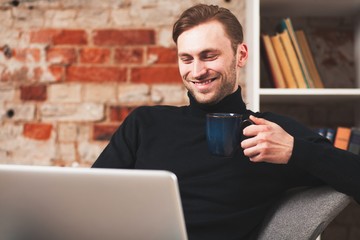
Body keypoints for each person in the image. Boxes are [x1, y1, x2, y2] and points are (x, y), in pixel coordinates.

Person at [92, 4, 360, 240]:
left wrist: (294, 150)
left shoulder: (269, 133)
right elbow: (89, 197)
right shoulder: (145, 123)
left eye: (209, 56)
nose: (196, 71)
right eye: (186, 59)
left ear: (240, 55)